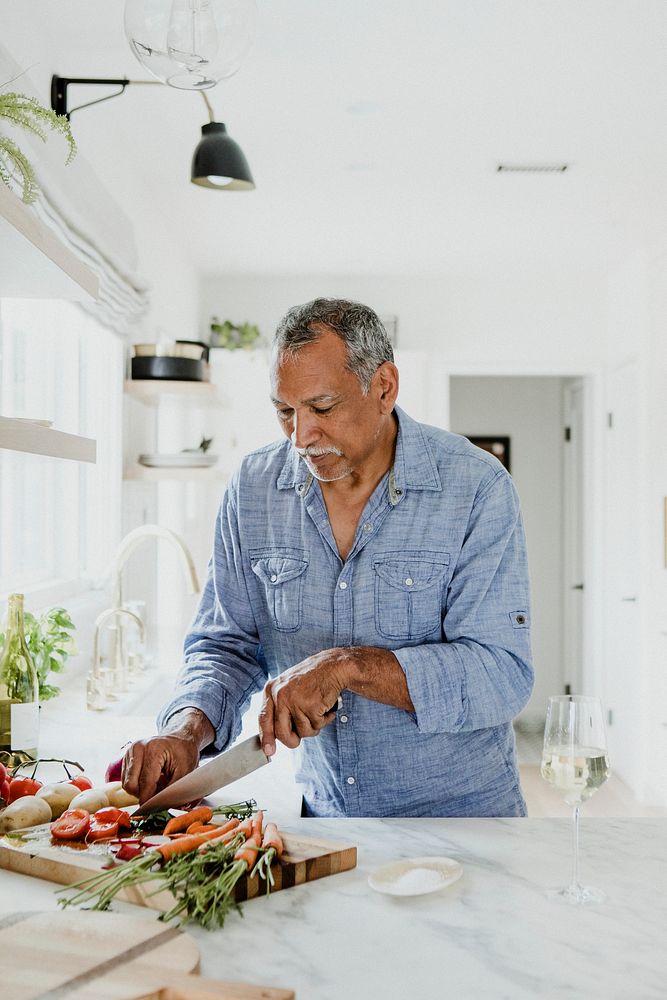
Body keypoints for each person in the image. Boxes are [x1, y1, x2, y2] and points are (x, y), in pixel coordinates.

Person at [123, 298, 534, 817]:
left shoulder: (477, 488)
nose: (301, 437)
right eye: (283, 411)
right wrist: (186, 728)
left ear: (384, 387)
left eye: (320, 408)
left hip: (465, 823)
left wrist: (349, 667)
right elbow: (226, 644)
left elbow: (502, 673)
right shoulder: (253, 490)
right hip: (326, 820)